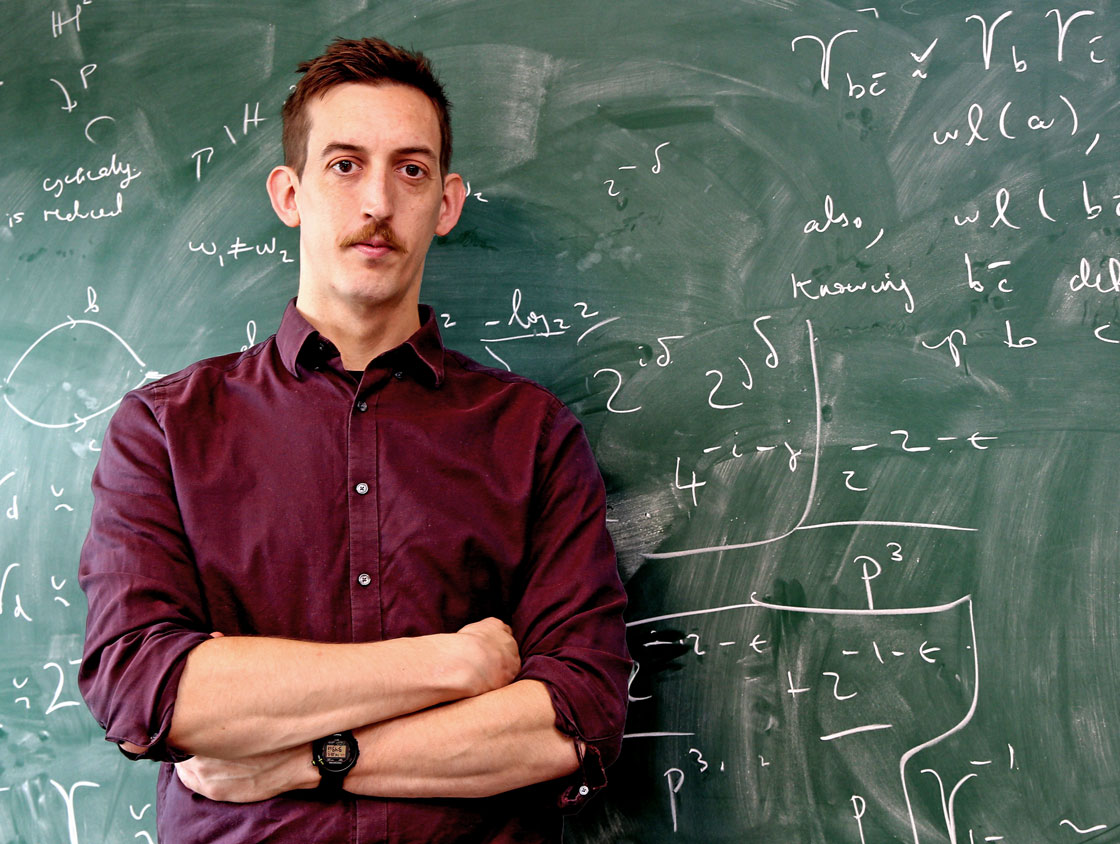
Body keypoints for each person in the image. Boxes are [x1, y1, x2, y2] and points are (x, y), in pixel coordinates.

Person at [78, 36, 630, 844]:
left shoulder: (534, 437)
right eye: (344, 165)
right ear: (289, 193)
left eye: (410, 169)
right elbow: (143, 690)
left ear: (446, 203)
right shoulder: (164, 430)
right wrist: (449, 665)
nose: (378, 200)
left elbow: (575, 715)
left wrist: (307, 758)